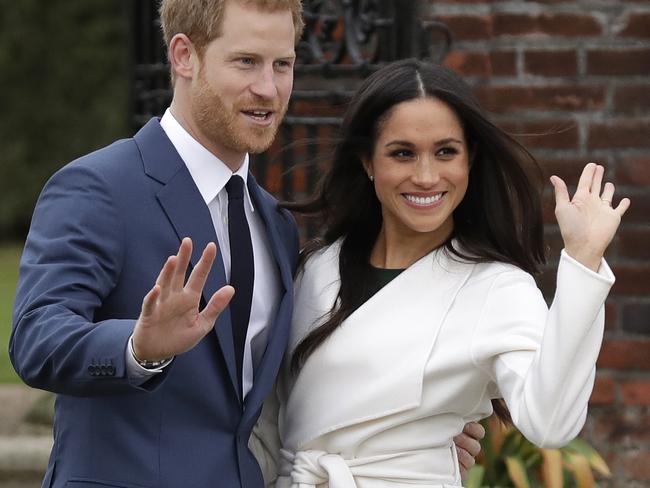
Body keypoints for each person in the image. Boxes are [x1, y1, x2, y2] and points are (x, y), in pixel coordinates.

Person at [9, 3, 482, 487]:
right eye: (246, 62)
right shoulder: (99, 187)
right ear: (183, 56)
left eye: (283, 64)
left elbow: (282, 394)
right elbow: (35, 339)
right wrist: (138, 348)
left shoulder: (275, 224)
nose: (269, 89)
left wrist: (408, 435)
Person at [252, 59, 630, 488]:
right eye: (402, 153)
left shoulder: (497, 288)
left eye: (446, 152)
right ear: (368, 161)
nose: (427, 176)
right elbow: (267, 418)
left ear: (470, 160)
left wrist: (583, 263)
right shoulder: (315, 269)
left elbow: (551, 423)